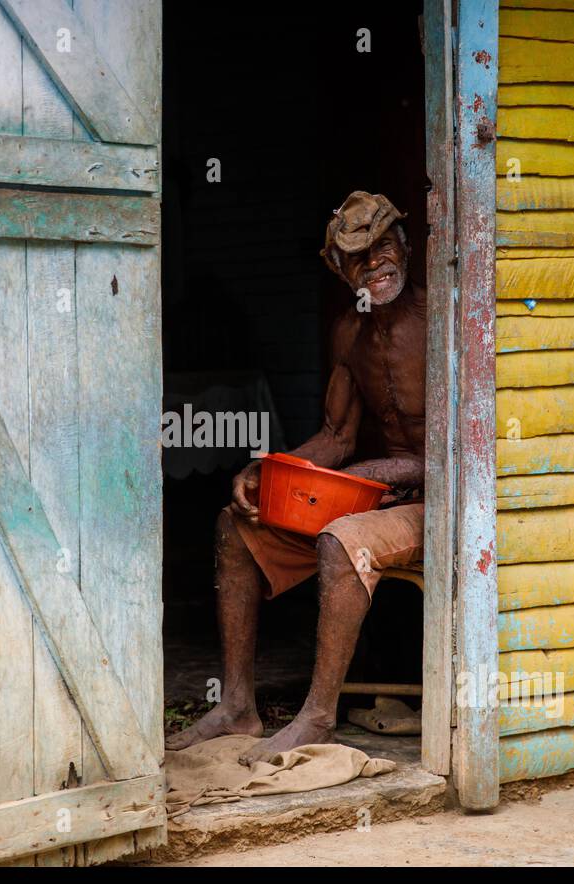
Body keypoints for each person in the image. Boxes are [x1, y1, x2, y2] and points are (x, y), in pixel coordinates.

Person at [166, 191, 427, 765]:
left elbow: (467, 450)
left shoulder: (442, 321)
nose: (376, 263)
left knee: (342, 540)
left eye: (385, 245)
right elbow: (336, 437)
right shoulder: (347, 333)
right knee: (235, 526)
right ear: (338, 269)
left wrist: (384, 470)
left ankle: (318, 717)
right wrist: (269, 468)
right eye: (359, 257)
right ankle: (236, 704)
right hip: (379, 496)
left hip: (439, 503)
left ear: (406, 245)